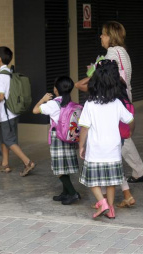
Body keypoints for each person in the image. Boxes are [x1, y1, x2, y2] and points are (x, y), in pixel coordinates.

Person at [76, 21, 143, 207]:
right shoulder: (124, 52)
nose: (101, 37)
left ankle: (118, 195)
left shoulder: (109, 55)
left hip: (109, 101)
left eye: (103, 34)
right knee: (121, 142)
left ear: (110, 35)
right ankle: (127, 189)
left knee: (113, 149)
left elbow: (103, 78)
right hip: (124, 100)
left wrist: (91, 73)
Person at [79, 59, 135, 219]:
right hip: (113, 148)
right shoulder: (117, 103)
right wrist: (130, 131)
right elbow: (130, 119)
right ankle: (110, 208)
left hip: (96, 148)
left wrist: (81, 145)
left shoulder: (90, 104)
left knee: (92, 180)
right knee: (111, 181)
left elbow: (84, 127)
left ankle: (101, 202)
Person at [33, 76, 81, 205]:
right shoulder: (71, 103)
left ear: (56, 89)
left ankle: (72, 193)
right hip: (69, 137)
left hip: (58, 138)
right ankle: (65, 193)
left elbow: (35, 110)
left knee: (59, 169)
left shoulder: (53, 104)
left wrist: (42, 99)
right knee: (65, 166)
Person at [0, 47, 35, 176]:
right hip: (13, 112)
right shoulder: (10, 73)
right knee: (6, 138)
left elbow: (1, 97)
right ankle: (5, 164)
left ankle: (28, 162)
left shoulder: (0, 76)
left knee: (9, 140)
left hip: (6, 114)